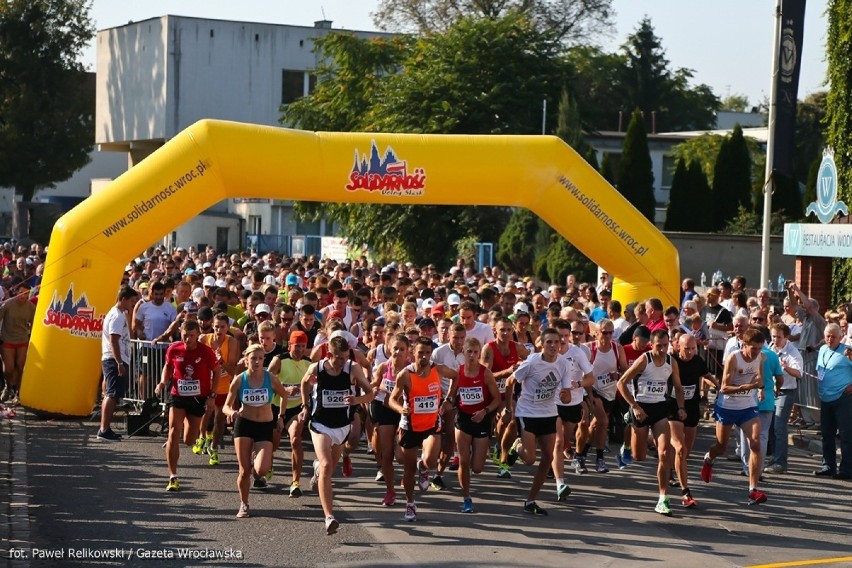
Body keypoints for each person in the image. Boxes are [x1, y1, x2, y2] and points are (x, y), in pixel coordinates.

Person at [301, 335, 374, 534]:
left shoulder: (353, 368)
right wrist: (305, 406)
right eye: (338, 358)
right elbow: (304, 383)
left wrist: (357, 400)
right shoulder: (317, 368)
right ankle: (329, 517)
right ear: (329, 354)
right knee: (327, 465)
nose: (343, 362)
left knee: (329, 468)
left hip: (342, 426)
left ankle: (317, 468)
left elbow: (371, 393)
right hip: (320, 424)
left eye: (345, 357)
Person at [506, 328, 573, 516]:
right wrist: (508, 408)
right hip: (527, 412)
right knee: (529, 459)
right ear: (541, 344)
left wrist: (565, 395)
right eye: (549, 342)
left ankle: (531, 500)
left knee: (547, 458)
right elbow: (511, 381)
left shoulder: (564, 364)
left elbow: (566, 395)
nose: (553, 346)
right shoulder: (532, 362)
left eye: (556, 342)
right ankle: (517, 446)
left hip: (549, 414)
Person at [618, 329, 685, 515]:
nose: (662, 350)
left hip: (660, 409)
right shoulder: (644, 360)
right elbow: (621, 383)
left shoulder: (671, 362)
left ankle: (663, 499)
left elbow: (678, 388)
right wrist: (635, 407)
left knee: (665, 452)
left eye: (665, 345)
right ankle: (631, 431)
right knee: (639, 457)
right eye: (658, 346)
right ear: (652, 344)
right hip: (641, 408)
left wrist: (680, 407)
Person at [700, 327, 768, 506]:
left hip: (748, 407)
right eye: (753, 348)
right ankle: (709, 458)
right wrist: (746, 387)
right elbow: (724, 388)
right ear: (744, 345)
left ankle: (752, 489)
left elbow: (760, 379)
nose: (756, 352)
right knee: (721, 447)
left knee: (756, 443)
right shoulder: (734, 358)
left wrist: (760, 388)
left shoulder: (761, 357)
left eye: (760, 348)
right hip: (728, 407)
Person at [388, 336, 452, 522]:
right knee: (408, 468)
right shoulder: (405, 375)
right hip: (411, 426)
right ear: (412, 352)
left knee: (431, 459)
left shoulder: (437, 369)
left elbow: (456, 377)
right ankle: (410, 503)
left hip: (432, 423)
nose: (424, 356)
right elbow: (392, 399)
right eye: (420, 353)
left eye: (427, 353)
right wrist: (402, 409)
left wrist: (449, 400)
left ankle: (423, 468)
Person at [223, 343, 291, 518]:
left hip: (264, 426)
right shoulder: (239, 379)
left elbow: (284, 395)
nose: (257, 361)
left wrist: (281, 417)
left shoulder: (270, 378)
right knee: (244, 470)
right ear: (246, 360)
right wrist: (231, 412)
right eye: (253, 358)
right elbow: (226, 406)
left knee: (261, 470)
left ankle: (256, 460)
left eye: (260, 358)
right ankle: (244, 504)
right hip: (244, 424)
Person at [155, 320, 220, 492]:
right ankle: (173, 476)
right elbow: (168, 367)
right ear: (180, 333)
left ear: (198, 335)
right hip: (178, 396)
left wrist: (212, 395)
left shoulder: (206, 352)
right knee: (173, 433)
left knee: (189, 440)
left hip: (198, 398)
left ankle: (186, 425)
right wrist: (163, 382)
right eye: (185, 335)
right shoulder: (174, 349)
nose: (188, 339)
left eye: (192, 336)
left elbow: (217, 371)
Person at [450, 337, 501, 513]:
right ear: (463, 353)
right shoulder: (458, 372)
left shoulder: (485, 373)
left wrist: (485, 412)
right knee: (464, 462)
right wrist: (444, 406)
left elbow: (497, 399)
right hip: (463, 419)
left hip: (482, 419)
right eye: (469, 352)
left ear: (480, 354)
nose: (472, 355)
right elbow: (451, 396)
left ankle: (473, 462)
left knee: (477, 468)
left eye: (475, 352)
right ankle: (466, 498)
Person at [669, 334, 717, 508]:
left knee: (685, 453)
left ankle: (672, 468)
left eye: (692, 348)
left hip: (692, 408)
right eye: (686, 348)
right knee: (680, 448)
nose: (689, 352)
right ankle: (685, 491)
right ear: (678, 347)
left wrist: (718, 385)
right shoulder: (671, 361)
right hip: (673, 408)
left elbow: (707, 375)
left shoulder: (698, 361)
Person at [268, 330, 312, 497]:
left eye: (303, 346)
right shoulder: (279, 360)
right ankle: (268, 463)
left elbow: (313, 384)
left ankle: (295, 482)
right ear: (290, 345)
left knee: (295, 440)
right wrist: (284, 389)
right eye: (297, 346)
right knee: (274, 442)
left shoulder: (309, 363)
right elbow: (267, 381)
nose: (300, 349)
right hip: (276, 406)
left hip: (296, 408)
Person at [196, 311, 240, 465]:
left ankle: (214, 448)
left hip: (223, 386)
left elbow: (233, 370)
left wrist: (220, 358)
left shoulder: (232, 342)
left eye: (222, 327)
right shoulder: (203, 339)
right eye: (216, 327)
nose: (219, 330)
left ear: (227, 327)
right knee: (205, 413)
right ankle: (202, 437)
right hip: (206, 385)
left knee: (219, 421)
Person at [370, 332, 408, 506]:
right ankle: (390, 492)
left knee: (401, 457)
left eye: (402, 349)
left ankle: (416, 470)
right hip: (385, 409)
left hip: (403, 412)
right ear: (389, 349)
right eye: (395, 349)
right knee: (386, 455)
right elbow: (373, 385)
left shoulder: (411, 369)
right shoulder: (384, 367)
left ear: (408, 352)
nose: (398, 352)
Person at [97, 286, 140, 441]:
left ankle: (105, 428)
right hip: (113, 359)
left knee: (113, 393)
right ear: (123, 299)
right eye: (131, 302)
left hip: (115, 358)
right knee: (112, 393)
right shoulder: (117, 316)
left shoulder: (119, 314)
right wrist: (119, 362)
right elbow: (114, 340)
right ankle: (104, 429)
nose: (132, 305)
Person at [813, 323, 852, 480]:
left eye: (833, 337)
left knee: (846, 435)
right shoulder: (822, 349)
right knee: (827, 434)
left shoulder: (847, 351)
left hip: (843, 398)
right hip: (826, 398)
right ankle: (828, 466)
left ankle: (847, 469)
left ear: (840, 336)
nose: (830, 339)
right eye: (827, 336)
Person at [0, 278, 37, 404]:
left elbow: (34, 323)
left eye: (26, 293)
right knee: (9, 368)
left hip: (22, 339)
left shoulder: (31, 307)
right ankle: (7, 386)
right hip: (7, 338)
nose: (24, 296)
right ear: (16, 292)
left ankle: (18, 391)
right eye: (21, 293)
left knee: (21, 367)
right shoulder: (8, 304)